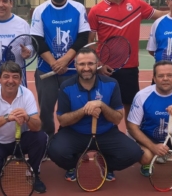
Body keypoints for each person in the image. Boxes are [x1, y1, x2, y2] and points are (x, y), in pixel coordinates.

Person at [47, 47, 143, 182]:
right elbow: (62, 120)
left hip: (105, 133)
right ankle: (73, 165)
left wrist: (102, 106)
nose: (86, 68)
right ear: (75, 66)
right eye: (82, 64)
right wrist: (84, 110)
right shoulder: (66, 86)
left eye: (90, 63)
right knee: (55, 151)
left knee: (134, 153)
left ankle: (105, 164)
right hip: (75, 133)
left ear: (97, 64)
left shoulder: (111, 83)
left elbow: (117, 118)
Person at [88, 0, 168, 123]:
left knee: (130, 107)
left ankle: (130, 141)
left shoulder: (136, 4)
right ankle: (106, 141)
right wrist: (99, 65)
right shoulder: (96, 11)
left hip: (130, 68)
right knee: (104, 107)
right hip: (107, 70)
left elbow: (160, 15)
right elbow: (90, 42)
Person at [30, 0, 90, 140]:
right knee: (46, 109)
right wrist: (54, 63)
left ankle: (69, 140)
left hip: (71, 70)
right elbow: (37, 40)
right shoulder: (40, 11)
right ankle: (47, 141)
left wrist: (64, 61)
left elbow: (83, 37)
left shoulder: (78, 8)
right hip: (45, 70)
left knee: (72, 109)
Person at [0, 61, 47, 193]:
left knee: (41, 138)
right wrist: (7, 117)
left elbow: (37, 126)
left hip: (20, 140)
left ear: (20, 80)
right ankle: (0, 163)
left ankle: (33, 173)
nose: (10, 81)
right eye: (6, 76)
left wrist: (27, 118)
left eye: (15, 77)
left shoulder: (27, 94)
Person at [127, 60, 172, 182]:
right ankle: (147, 163)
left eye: (169, 75)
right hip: (149, 137)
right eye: (160, 76)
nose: (165, 79)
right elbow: (132, 126)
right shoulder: (142, 96)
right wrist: (153, 146)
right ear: (154, 78)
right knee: (146, 157)